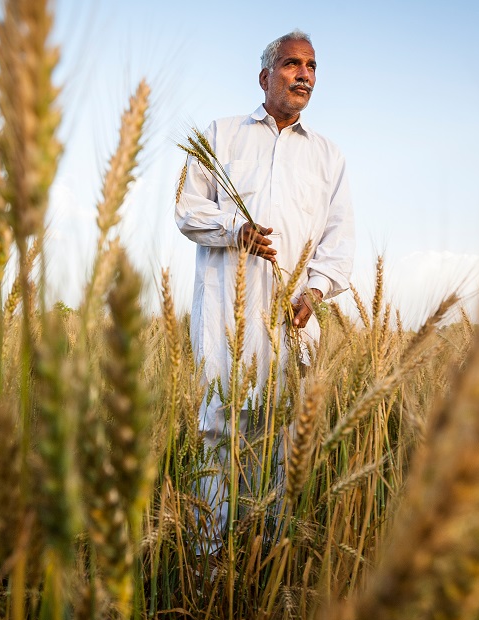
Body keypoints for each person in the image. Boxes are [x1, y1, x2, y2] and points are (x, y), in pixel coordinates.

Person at [175, 30, 355, 552]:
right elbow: (188, 208)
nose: (304, 75)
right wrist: (237, 229)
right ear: (264, 76)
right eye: (292, 64)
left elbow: (338, 242)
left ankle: (263, 562)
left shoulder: (329, 157)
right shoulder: (222, 134)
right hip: (223, 316)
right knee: (219, 428)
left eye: (312, 66)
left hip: (291, 319)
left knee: (285, 442)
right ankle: (210, 565)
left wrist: (315, 292)